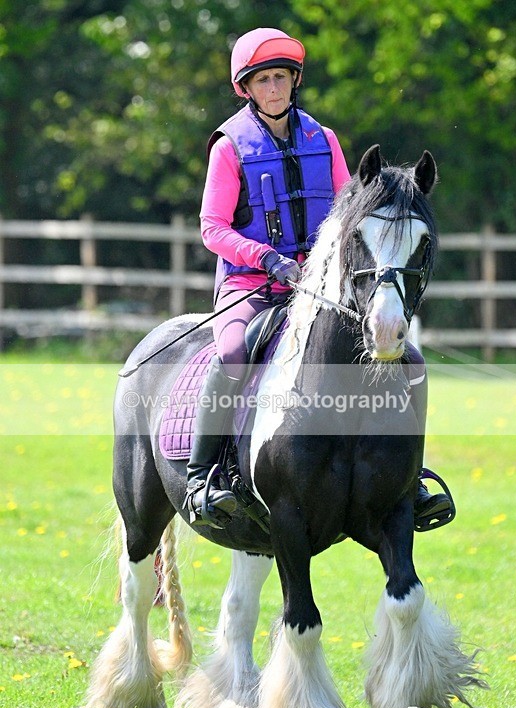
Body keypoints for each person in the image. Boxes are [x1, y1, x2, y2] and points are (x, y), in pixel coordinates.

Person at [183, 27, 452, 530]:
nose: (274, 89)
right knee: (235, 351)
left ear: (294, 80)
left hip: (324, 287)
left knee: (410, 359)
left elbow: (352, 213)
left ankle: (410, 480)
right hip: (252, 284)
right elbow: (211, 228)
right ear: (246, 87)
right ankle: (205, 479)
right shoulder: (229, 147)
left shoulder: (321, 139)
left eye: (281, 77)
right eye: (263, 80)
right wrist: (267, 259)